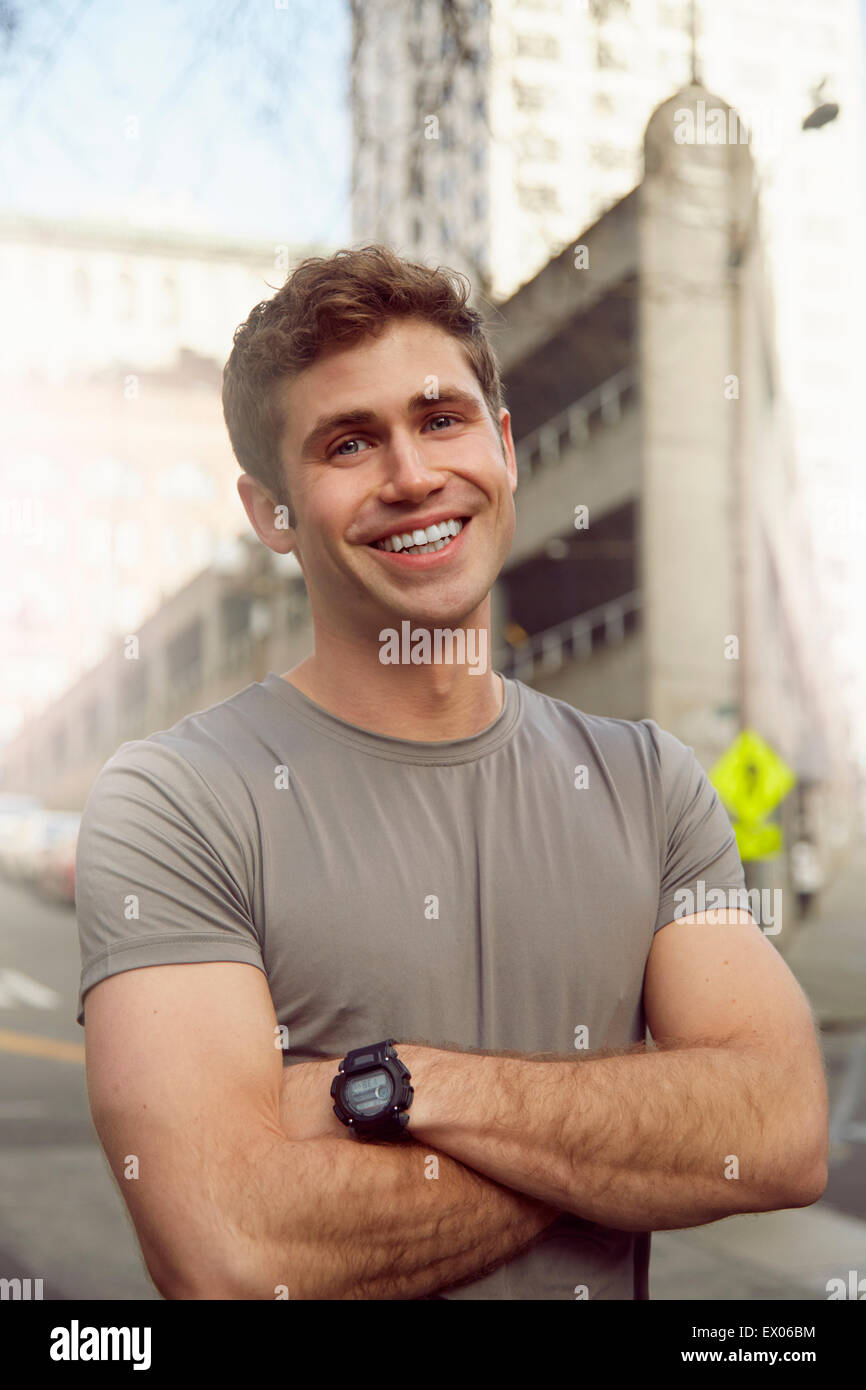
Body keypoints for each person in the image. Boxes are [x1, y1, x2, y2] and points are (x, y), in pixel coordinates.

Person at [76, 245, 828, 1301]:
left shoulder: (648, 783)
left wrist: (385, 1090)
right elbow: (235, 1255)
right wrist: (637, 1144)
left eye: (440, 419)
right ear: (272, 514)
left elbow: (782, 1128)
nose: (412, 475)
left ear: (503, 445)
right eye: (348, 442)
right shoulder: (176, 801)